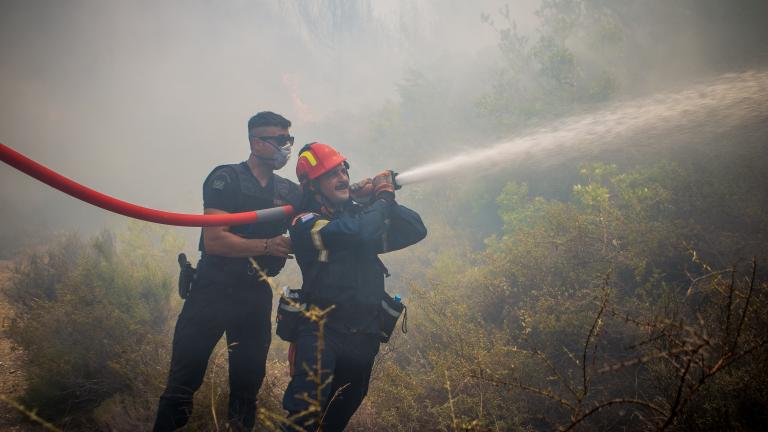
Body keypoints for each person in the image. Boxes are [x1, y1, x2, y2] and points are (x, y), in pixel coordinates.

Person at [153, 111, 301, 431]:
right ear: (256, 143)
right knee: (182, 383)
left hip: (255, 294)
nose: (285, 148)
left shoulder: (289, 192)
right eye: (278, 141)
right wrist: (267, 246)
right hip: (213, 288)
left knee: (247, 391)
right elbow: (216, 240)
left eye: (288, 140)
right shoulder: (226, 178)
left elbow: (323, 207)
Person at [281, 142, 427, 431]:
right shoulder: (305, 222)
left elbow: (415, 229)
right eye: (331, 174)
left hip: (364, 335)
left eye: (343, 170)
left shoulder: (360, 216)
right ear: (312, 186)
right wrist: (380, 201)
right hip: (322, 332)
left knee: (338, 417)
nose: (343, 178)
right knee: (304, 419)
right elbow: (357, 233)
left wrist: (383, 200)